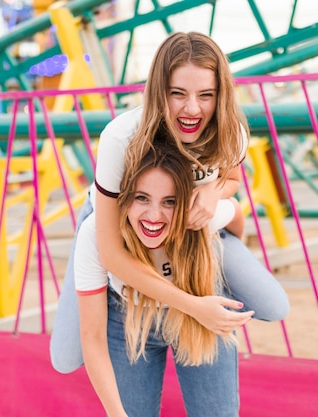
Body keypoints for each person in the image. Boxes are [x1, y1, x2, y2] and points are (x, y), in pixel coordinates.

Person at [50, 31, 289, 373]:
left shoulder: (230, 128)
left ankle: (197, 273)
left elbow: (232, 180)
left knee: (274, 304)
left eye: (206, 95)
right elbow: (111, 252)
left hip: (192, 222)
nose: (192, 109)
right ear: (159, 91)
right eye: (178, 94)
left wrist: (212, 192)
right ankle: (122, 301)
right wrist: (193, 306)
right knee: (67, 357)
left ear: (220, 95)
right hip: (123, 221)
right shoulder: (121, 137)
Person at [77, 140, 241, 417]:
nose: (154, 216)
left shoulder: (197, 219)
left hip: (200, 308)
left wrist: (220, 204)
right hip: (129, 316)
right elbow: (91, 336)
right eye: (141, 198)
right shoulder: (97, 233)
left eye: (169, 202)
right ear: (123, 197)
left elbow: (235, 212)